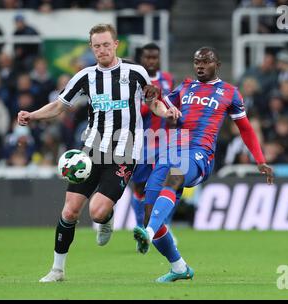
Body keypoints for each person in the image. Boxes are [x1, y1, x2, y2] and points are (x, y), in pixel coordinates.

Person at [17, 23, 180, 282]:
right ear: (91, 48)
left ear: (115, 44)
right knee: (70, 211)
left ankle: (106, 217)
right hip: (91, 150)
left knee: (96, 211)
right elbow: (60, 105)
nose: (102, 50)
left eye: (106, 44)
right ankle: (57, 269)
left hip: (125, 152)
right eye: (96, 46)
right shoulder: (85, 76)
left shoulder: (136, 72)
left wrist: (166, 111)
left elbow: (153, 103)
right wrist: (32, 115)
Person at [133, 47, 274, 282]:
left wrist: (260, 160)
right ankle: (179, 267)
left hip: (200, 154)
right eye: (197, 61)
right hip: (171, 150)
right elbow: (160, 105)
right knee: (151, 216)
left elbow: (246, 128)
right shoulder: (185, 87)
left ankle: (146, 233)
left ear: (217, 64)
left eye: (206, 62)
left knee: (175, 177)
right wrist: (155, 98)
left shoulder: (230, 92)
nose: (200, 66)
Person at [130, 43, 176, 245]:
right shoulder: (134, 80)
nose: (151, 61)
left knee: (165, 185)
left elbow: (172, 103)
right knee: (140, 188)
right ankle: (142, 226)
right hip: (142, 141)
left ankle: (161, 229)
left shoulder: (167, 78)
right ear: (140, 59)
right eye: (147, 57)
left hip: (165, 142)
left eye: (154, 57)